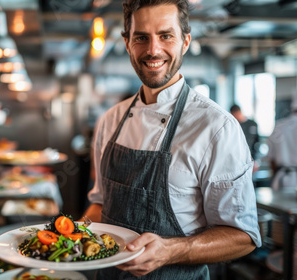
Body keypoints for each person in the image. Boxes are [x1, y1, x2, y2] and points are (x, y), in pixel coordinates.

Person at [82, 0, 261, 279]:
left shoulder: (216, 128)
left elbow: (242, 236)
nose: (153, 50)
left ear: (185, 41)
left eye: (166, 36)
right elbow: (101, 205)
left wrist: (172, 250)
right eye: (141, 37)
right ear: (127, 42)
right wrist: (68, 237)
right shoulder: (110, 120)